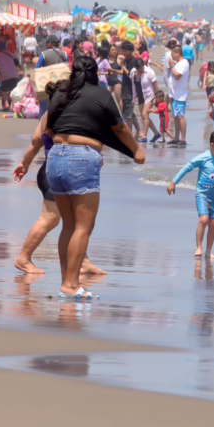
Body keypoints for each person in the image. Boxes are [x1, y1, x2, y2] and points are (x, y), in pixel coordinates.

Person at [45, 55, 145, 300]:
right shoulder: (101, 95)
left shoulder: (60, 94)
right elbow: (120, 127)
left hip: (54, 157)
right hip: (82, 158)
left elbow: (48, 128)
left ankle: (66, 284)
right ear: (94, 74)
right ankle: (71, 286)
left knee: (68, 226)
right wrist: (137, 150)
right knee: (83, 227)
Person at [11, 83, 105, 276]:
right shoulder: (63, 116)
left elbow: (35, 143)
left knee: (76, 219)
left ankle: (83, 261)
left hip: (51, 169)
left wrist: (25, 164)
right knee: (50, 218)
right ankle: (24, 258)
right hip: (56, 171)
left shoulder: (48, 116)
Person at [168, 129, 214, 260]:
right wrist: (174, 182)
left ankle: (209, 251)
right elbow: (187, 167)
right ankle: (199, 247)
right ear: (213, 145)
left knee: (213, 224)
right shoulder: (203, 157)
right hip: (202, 195)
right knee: (203, 220)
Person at [168, 46, 190, 146]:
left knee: (180, 116)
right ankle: (176, 138)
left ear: (177, 53)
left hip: (180, 94)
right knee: (176, 117)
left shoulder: (183, 63)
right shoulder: (178, 63)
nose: (172, 56)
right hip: (175, 94)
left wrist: (172, 66)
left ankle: (183, 139)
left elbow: (177, 75)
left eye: (173, 54)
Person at [0, 42, 20, 111]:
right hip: (14, 75)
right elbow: (17, 62)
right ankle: (14, 106)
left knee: (4, 90)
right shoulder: (11, 54)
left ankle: (6, 103)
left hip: (5, 76)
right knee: (13, 90)